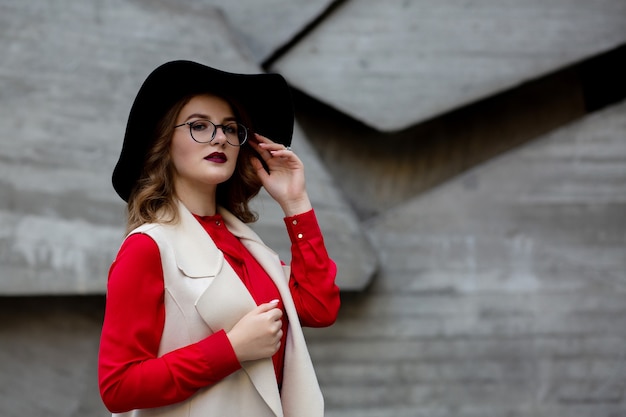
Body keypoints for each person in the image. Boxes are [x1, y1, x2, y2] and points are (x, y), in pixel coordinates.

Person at [98, 60, 341, 417]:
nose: (219, 138)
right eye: (199, 126)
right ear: (164, 142)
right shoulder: (148, 247)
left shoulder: (246, 246)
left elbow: (320, 308)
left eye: (230, 129)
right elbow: (117, 386)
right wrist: (232, 348)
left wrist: (295, 202)